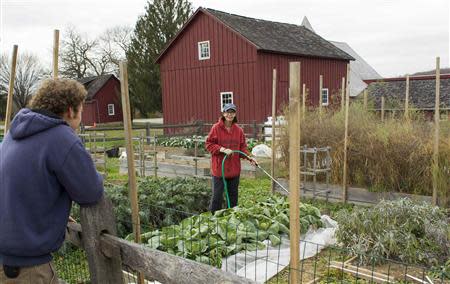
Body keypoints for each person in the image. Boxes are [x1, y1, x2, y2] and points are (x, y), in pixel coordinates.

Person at [0, 79, 104, 283]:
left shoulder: (14, 133)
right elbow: (90, 192)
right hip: (26, 269)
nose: (81, 120)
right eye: (81, 111)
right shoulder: (61, 137)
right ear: (69, 110)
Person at [205, 103, 257, 212]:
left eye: (232, 112)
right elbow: (209, 144)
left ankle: (231, 220)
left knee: (233, 198)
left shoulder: (239, 130)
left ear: (235, 114)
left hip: (234, 170)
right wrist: (222, 149)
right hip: (220, 170)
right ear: (223, 113)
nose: (230, 114)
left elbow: (242, 148)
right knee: (217, 198)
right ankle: (213, 220)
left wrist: (250, 157)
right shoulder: (216, 128)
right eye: (228, 112)